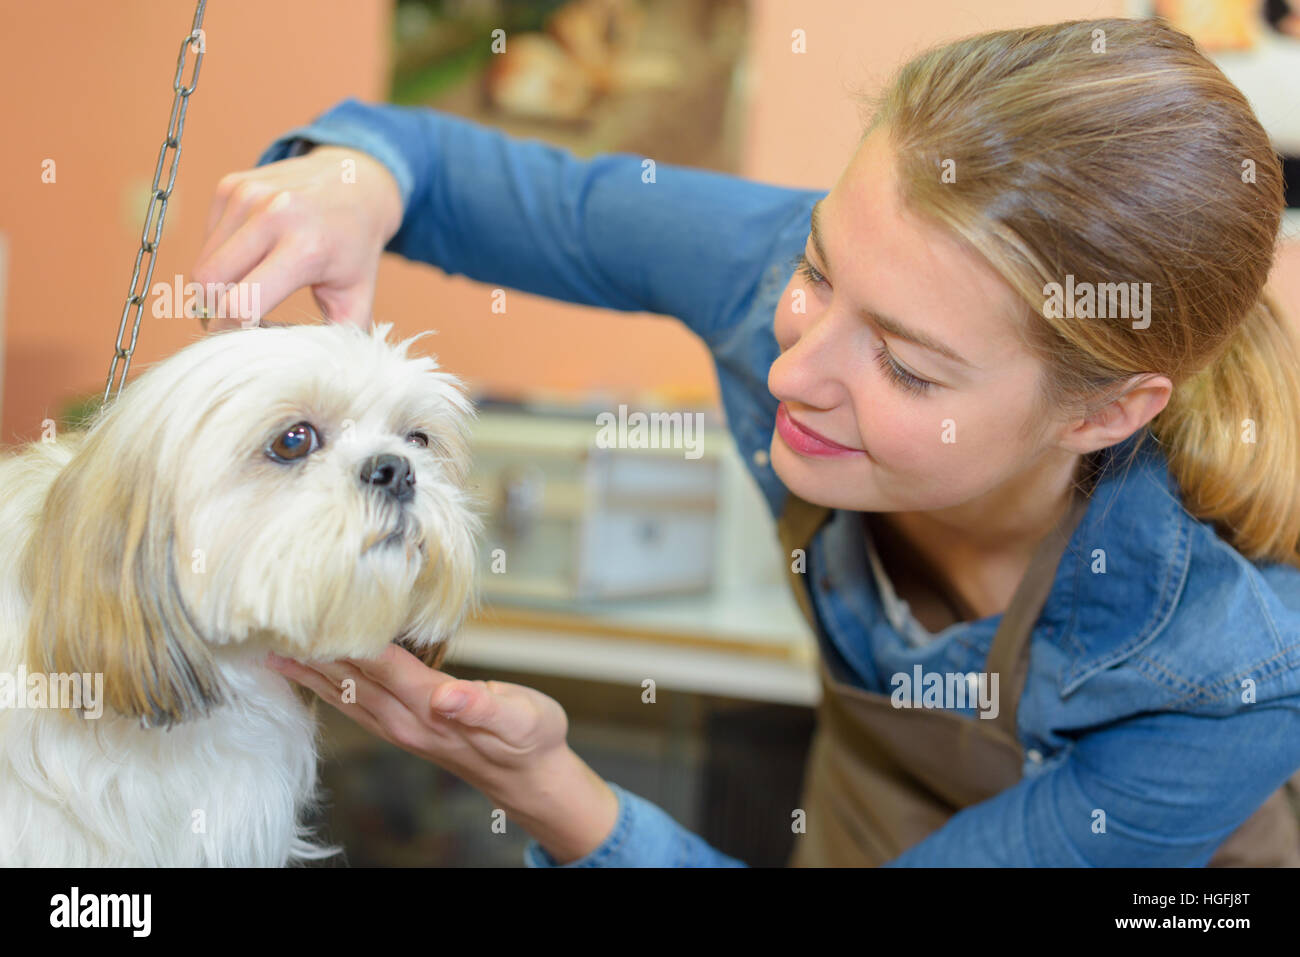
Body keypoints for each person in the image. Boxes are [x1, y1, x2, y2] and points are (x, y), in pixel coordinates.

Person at [194, 17, 1300, 866]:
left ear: (1104, 412)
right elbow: (452, 172)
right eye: (817, 273)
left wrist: (556, 798)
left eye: (908, 368)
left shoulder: (1227, 672)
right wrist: (354, 177)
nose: (790, 374)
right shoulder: (829, 274)